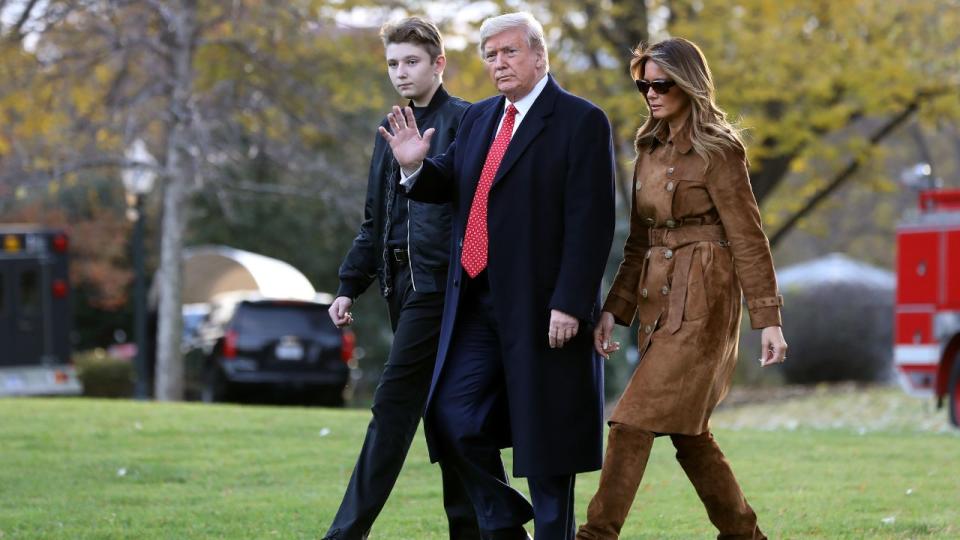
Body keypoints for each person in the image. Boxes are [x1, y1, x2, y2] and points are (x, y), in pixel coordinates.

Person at [379, 11, 616, 540]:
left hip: (544, 307)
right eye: (490, 55)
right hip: (477, 305)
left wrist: (571, 301)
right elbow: (451, 182)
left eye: (510, 52)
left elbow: (592, 221)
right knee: (450, 416)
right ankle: (506, 521)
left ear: (539, 55)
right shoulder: (482, 117)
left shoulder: (581, 120)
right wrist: (416, 166)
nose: (499, 63)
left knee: (548, 446)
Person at [574, 38, 789, 540]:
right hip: (657, 301)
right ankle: (745, 534)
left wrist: (769, 319)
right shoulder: (647, 149)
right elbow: (639, 240)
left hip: (706, 304)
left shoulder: (719, 149)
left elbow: (748, 238)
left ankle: (595, 535)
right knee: (690, 435)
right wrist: (614, 311)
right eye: (643, 84)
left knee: (630, 422)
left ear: (689, 83)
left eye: (661, 84)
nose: (650, 93)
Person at [323, 17, 479, 540]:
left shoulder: (467, 121)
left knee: (391, 409)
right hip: (402, 287)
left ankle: (344, 533)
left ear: (439, 63)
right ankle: (488, 528)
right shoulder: (389, 130)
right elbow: (376, 221)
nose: (401, 72)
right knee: (448, 415)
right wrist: (349, 285)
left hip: (444, 289)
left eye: (411, 61)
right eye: (393, 63)